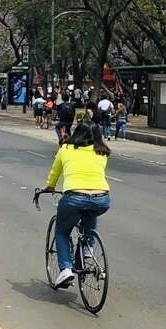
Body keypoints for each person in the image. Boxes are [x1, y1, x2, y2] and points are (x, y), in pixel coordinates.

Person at [43, 120, 112, 289]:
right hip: (102, 198)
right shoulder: (102, 152)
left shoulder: (65, 149)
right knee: (90, 214)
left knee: (62, 232)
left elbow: (55, 172)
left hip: (74, 197)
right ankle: (88, 248)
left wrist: (49, 187)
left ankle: (65, 269)